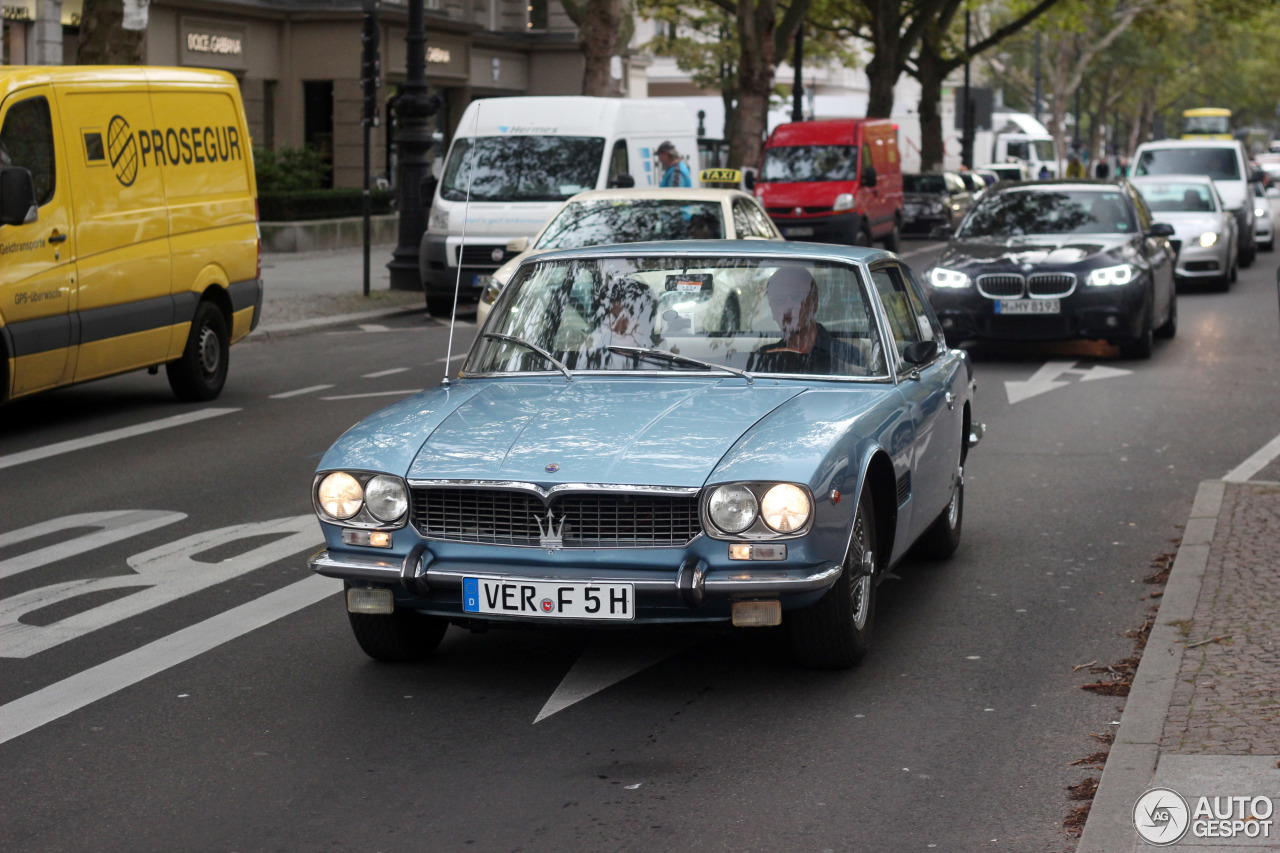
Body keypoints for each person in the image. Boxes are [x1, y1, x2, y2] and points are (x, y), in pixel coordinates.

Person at [749, 266, 861, 375]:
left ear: (814, 302)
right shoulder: (763, 357)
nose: (789, 307)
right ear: (772, 309)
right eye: (780, 299)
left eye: (797, 297)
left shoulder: (847, 356)